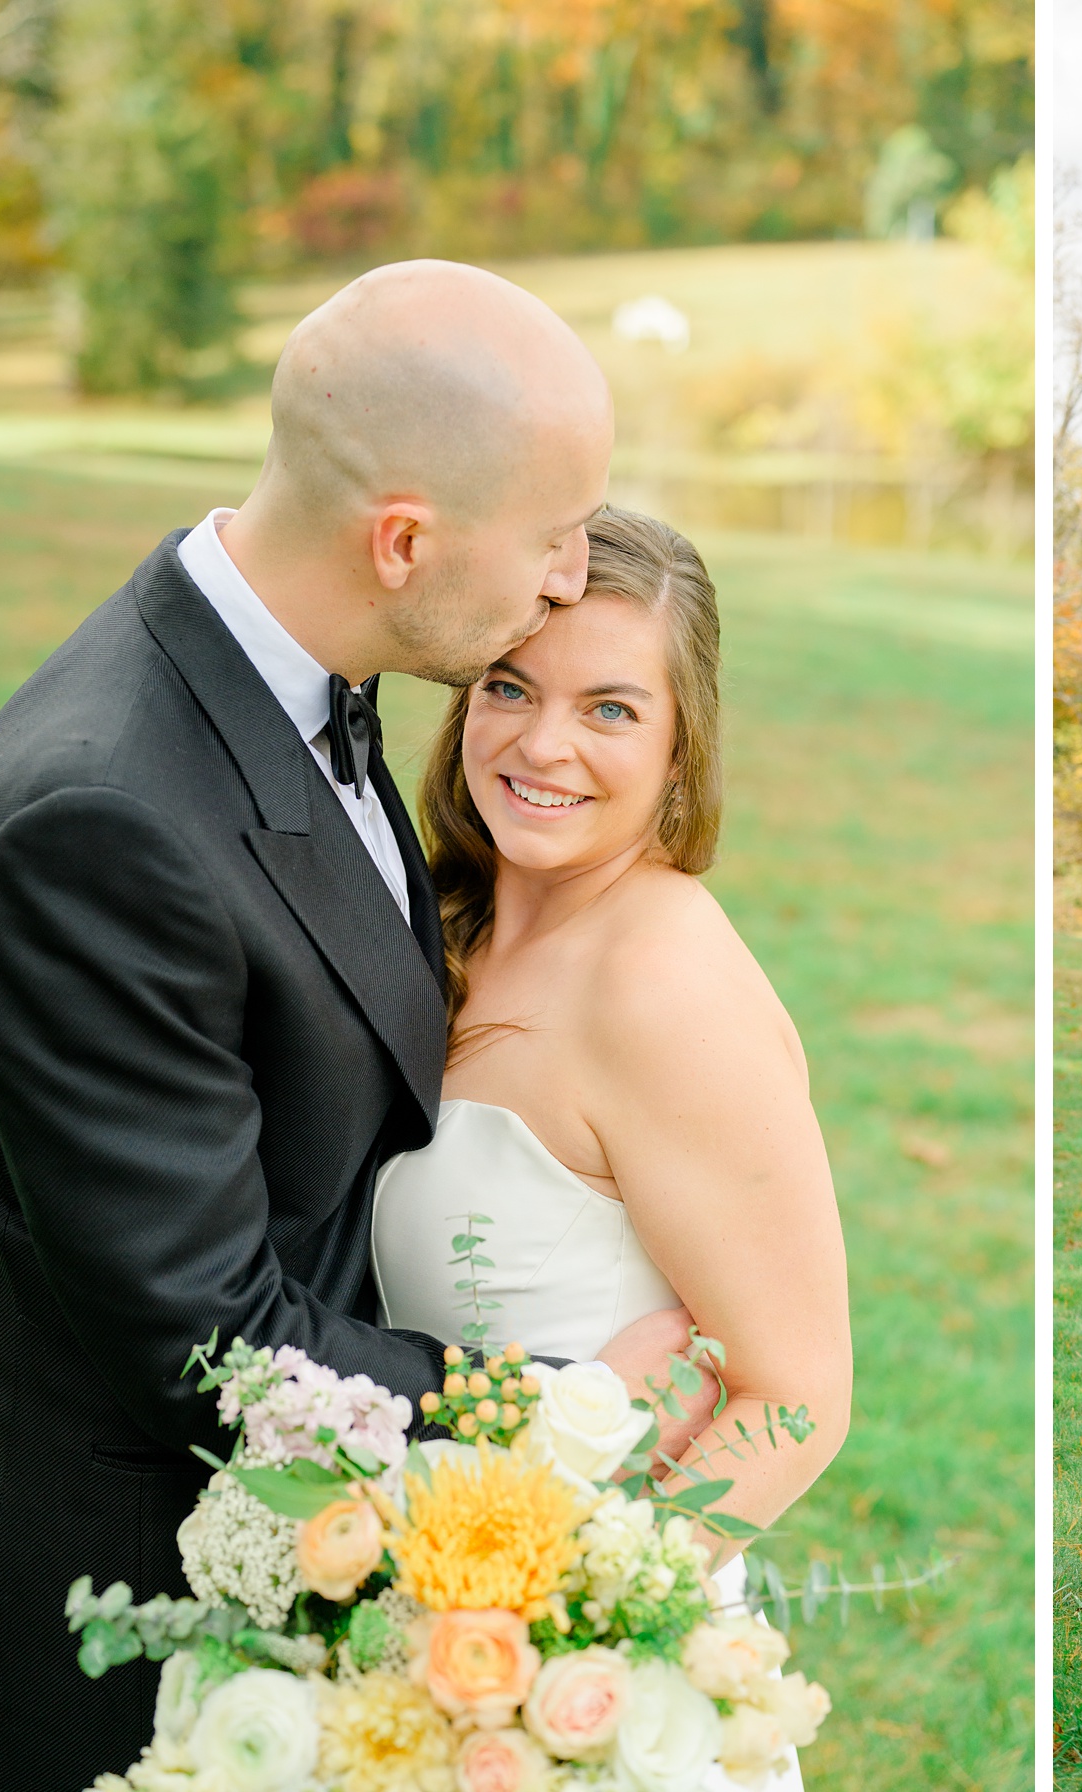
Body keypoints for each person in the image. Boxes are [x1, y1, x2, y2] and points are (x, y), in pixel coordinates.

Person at [0, 260, 675, 1791]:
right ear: (403, 541)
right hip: (154, 1641)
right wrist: (544, 1398)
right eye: (551, 535)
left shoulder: (290, 677)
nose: (575, 576)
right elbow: (215, 1344)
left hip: (320, 1562)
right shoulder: (99, 829)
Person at [370, 510, 850, 1792]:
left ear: (682, 741)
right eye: (509, 687)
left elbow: (796, 1395)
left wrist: (557, 1630)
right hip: (419, 1614)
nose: (543, 744)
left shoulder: (665, 982)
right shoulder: (441, 928)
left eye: (611, 709)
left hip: (585, 1695)